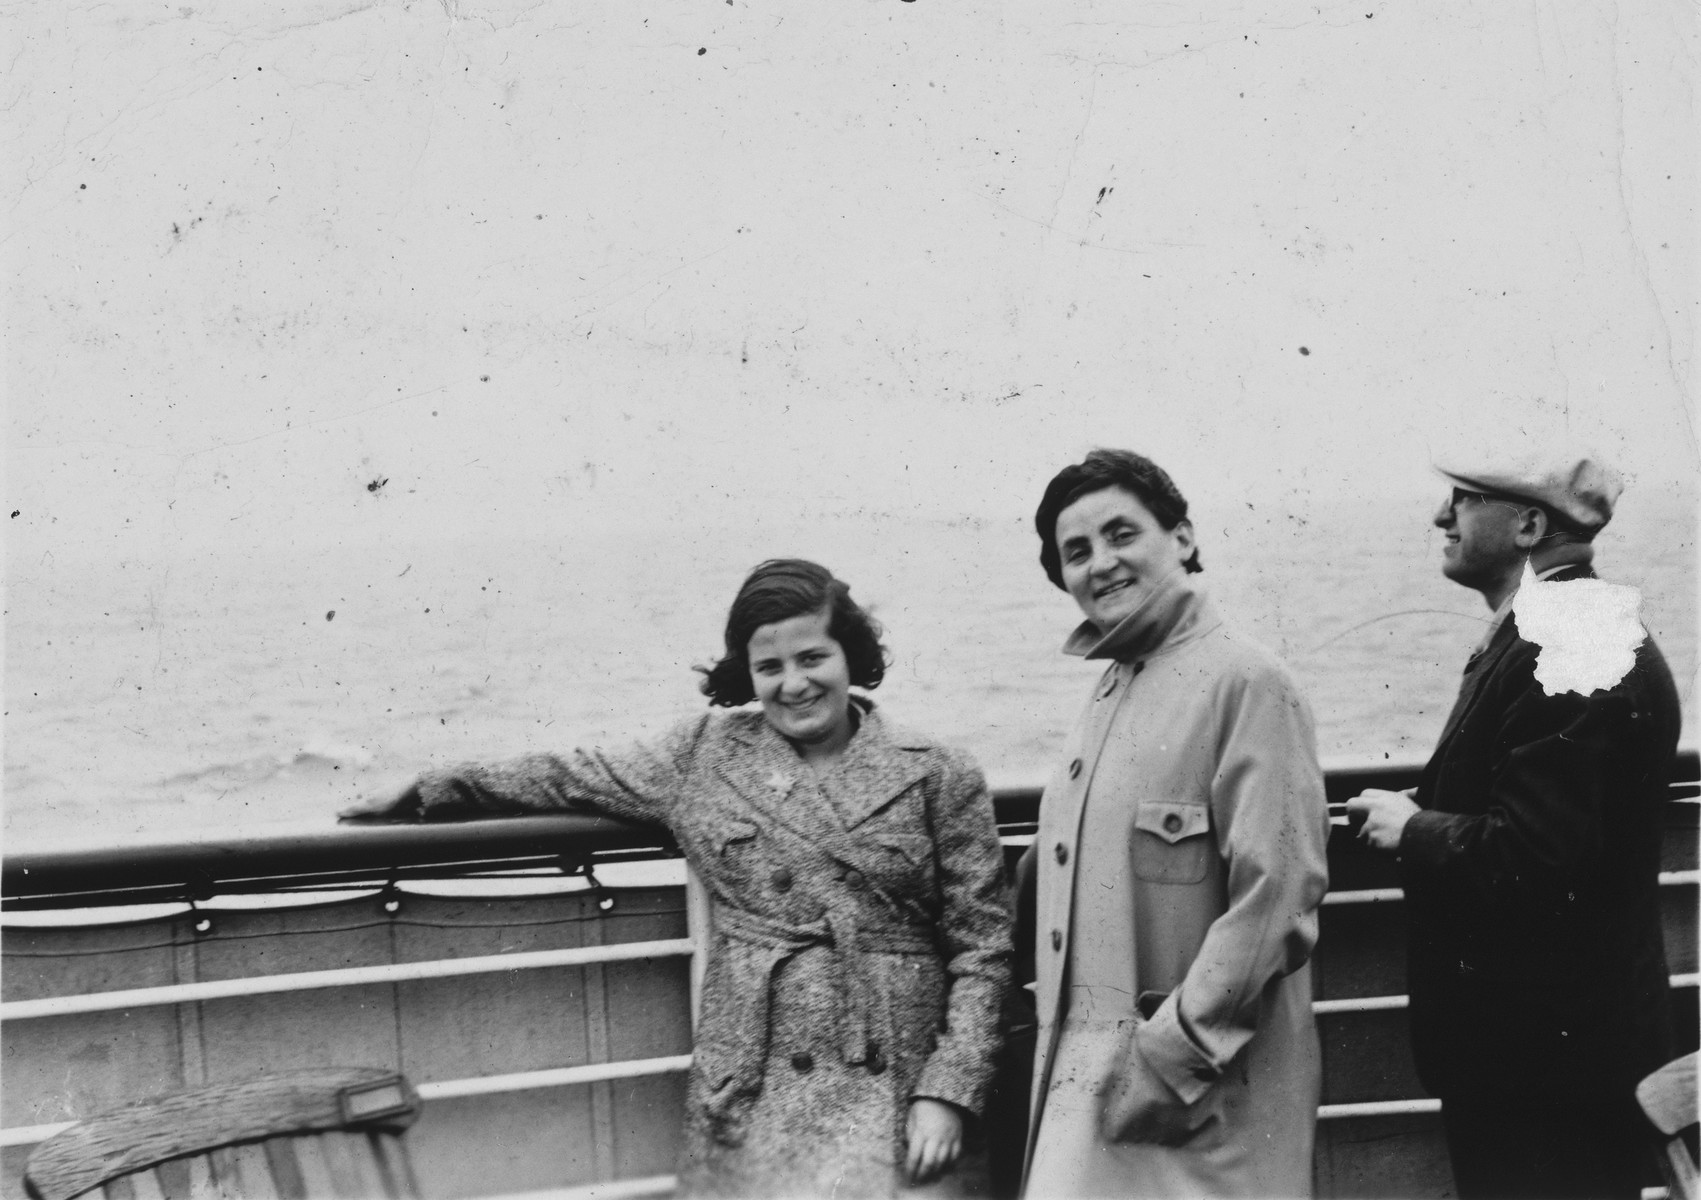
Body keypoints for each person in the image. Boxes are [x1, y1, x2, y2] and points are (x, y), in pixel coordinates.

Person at [341, 559, 1013, 1198]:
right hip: (755, 1075)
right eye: (768, 667)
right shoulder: (703, 756)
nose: (794, 684)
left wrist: (948, 1090)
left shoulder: (938, 773)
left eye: (813, 658)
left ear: (851, 658)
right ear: (745, 675)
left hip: (903, 1082)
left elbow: (982, 950)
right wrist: (425, 789)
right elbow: (564, 773)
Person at [1347, 452, 1681, 1200]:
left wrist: (1414, 829)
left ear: (1529, 524)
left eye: (1462, 501)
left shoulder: (1570, 642)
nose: (1441, 518)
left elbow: (1537, 856)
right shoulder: (1557, 628)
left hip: (1547, 1077)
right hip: (1543, 1062)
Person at [1020, 449, 1330, 1198]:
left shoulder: (1246, 681)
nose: (1101, 563)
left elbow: (1277, 896)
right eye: (1076, 551)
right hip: (1089, 1077)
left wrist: (1172, 1056)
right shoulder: (1107, 690)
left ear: (1183, 537)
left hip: (1198, 1088)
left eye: (1121, 533)